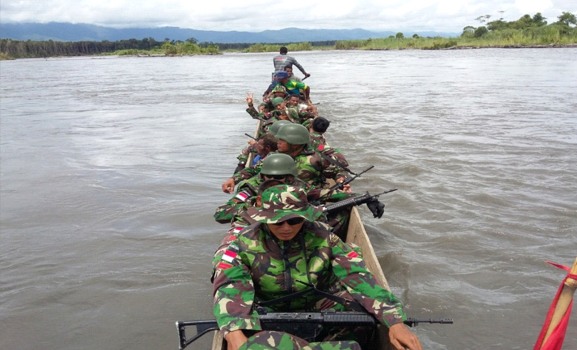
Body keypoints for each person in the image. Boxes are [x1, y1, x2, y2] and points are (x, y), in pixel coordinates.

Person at [212, 184, 422, 350]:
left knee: (358, 313)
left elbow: (357, 274)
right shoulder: (242, 244)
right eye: (277, 222)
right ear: (265, 219)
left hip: (318, 304)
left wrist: (394, 321)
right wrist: (233, 331)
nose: (286, 228)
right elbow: (230, 286)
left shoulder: (324, 238)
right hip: (268, 310)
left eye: (294, 220)